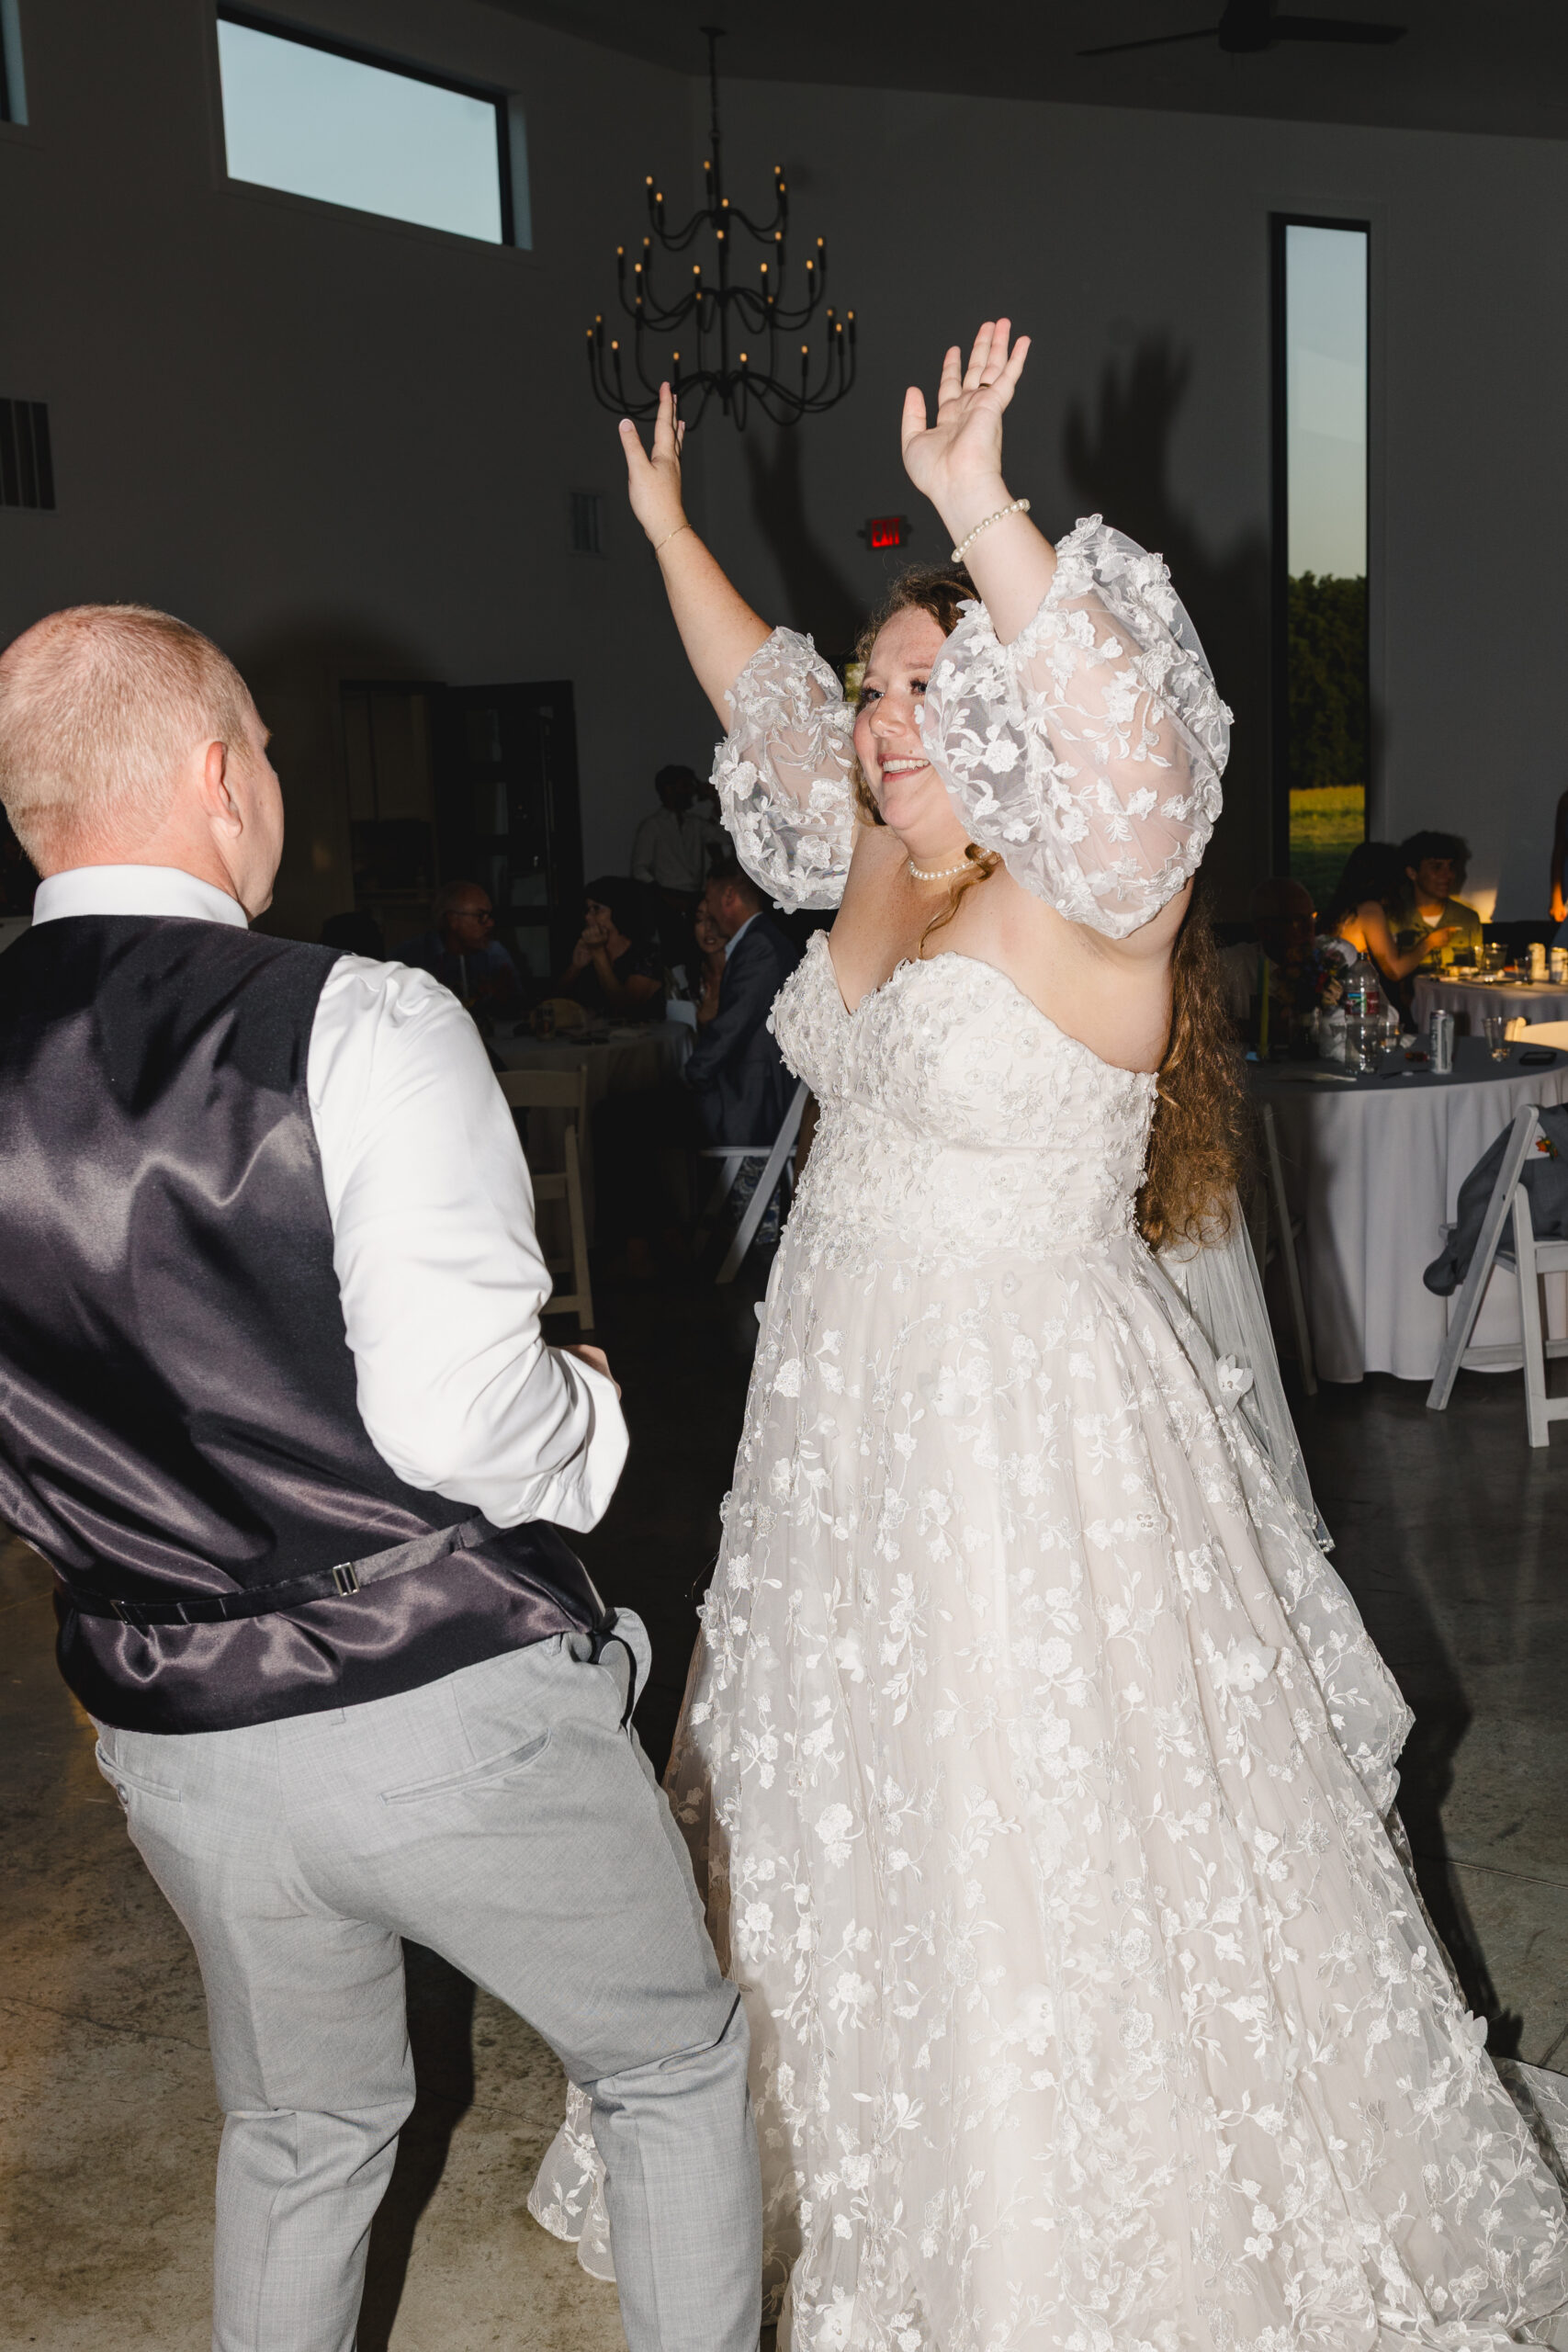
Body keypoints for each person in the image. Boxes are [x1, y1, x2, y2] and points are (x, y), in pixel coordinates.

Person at [534, 324, 1568, 2343]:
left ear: (1006, 705)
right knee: (854, 1812)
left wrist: (988, 512)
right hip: (838, 1444)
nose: (884, 718)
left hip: (1026, 1442)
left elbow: (1143, 753)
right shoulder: (875, 878)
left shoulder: (1095, 903)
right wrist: (661, 523)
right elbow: (761, 688)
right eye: (877, 692)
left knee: (1041, 1823)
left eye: (930, 687)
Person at [0, 604, 761, 2352]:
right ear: (210, 774)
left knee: (299, 2131)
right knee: (665, 2066)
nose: (275, 776)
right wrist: (583, 1407)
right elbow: (459, 1424)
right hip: (437, 1703)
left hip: (171, 1736)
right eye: (265, 746)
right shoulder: (358, 1015)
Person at [685, 852, 800, 1145]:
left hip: (751, 1101)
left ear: (728, 896)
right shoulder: (758, 940)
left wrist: (691, 1074)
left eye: (709, 900)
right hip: (748, 1092)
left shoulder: (758, 946)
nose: (708, 911)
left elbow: (731, 1027)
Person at [1320, 838, 1455, 1012]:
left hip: (1340, 1001)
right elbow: (1394, 969)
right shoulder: (1370, 910)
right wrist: (1429, 943)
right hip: (1358, 1002)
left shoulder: (1343, 909)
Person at [396, 877, 520, 1007]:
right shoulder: (410, 957)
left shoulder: (495, 954)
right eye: (481, 916)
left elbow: (517, 1004)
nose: (490, 923)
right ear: (452, 920)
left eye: (489, 916)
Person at [558, 874, 665, 1020]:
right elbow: (552, 1006)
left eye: (597, 909)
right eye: (588, 910)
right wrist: (575, 968)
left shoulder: (647, 955)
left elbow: (626, 1011)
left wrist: (598, 953)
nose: (588, 917)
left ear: (620, 910)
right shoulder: (588, 951)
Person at [630, 761, 724, 897]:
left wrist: (715, 799)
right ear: (669, 789)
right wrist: (662, 894)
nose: (691, 792)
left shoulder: (696, 824)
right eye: (685, 786)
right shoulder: (652, 825)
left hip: (694, 895)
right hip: (665, 898)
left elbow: (725, 837)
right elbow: (639, 869)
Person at [1396, 828, 1484, 968]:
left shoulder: (1468, 919)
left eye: (1451, 867)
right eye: (1437, 867)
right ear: (1412, 873)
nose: (1447, 875)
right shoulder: (1393, 918)